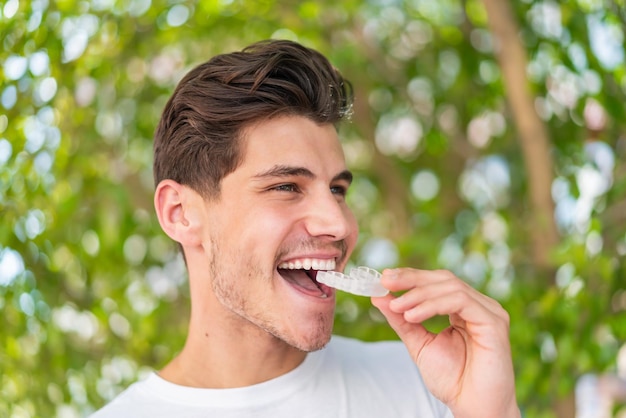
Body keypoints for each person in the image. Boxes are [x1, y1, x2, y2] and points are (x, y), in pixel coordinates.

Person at [91, 39, 520, 417]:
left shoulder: (429, 389)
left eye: (337, 189)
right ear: (180, 213)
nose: (338, 224)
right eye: (285, 186)